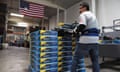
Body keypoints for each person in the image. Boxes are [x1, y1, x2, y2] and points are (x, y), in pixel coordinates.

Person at [71, 2, 100, 72]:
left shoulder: (83, 14)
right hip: (95, 40)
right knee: (95, 60)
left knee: (76, 58)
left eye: (80, 8)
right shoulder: (93, 15)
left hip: (86, 39)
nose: (79, 10)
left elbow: (82, 25)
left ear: (84, 8)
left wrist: (74, 32)